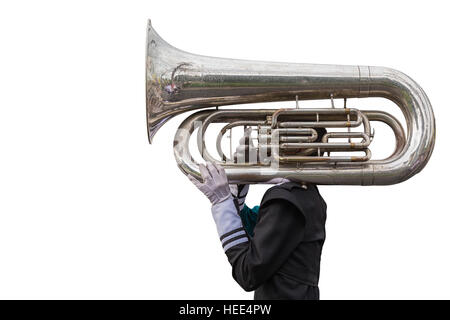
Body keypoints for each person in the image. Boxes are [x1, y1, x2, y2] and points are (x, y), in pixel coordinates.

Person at [188, 129, 327, 300]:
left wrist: (223, 203)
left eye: (279, 133)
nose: (268, 138)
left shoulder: (287, 201)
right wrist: (237, 190)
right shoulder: (302, 194)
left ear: (298, 147)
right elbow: (257, 230)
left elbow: (247, 273)